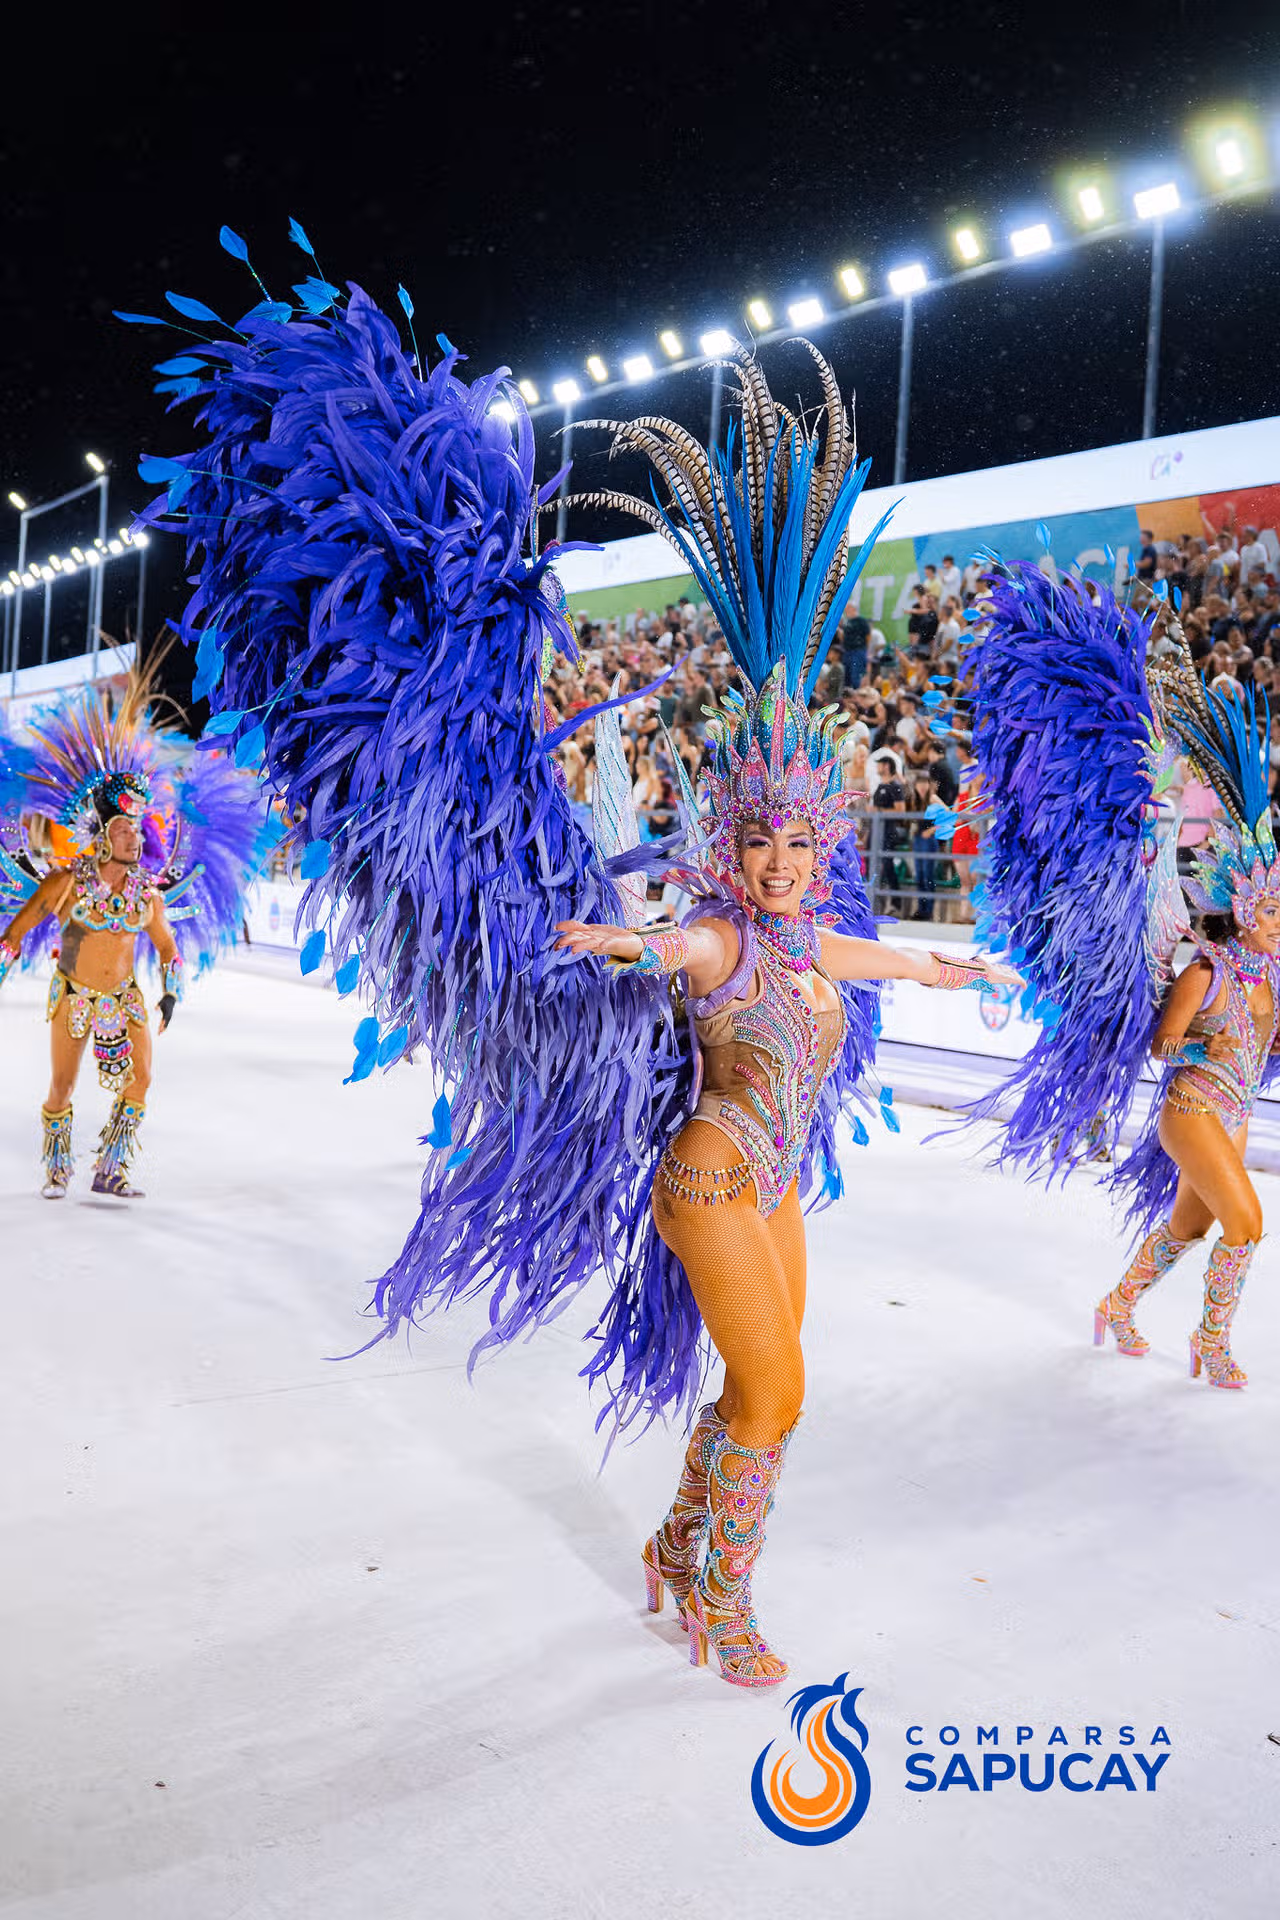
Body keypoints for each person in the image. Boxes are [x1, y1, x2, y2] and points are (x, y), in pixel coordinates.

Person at [128, 265, 1019, 1690]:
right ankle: (718, 1590)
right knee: (780, 1387)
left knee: (765, 1385)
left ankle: (682, 1549)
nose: (784, 864)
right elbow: (666, 947)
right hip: (715, 1175)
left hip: (780, 1178)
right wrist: (600, 938)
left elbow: (874, 952)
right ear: (733, 847)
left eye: (803, 843)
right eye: (763, 844)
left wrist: (952, 954)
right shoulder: (724, 938)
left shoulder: (803, 934)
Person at [967, 562, 1280, 1391]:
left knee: (1194, 1225)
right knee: (1247, 1224)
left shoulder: (1269, 978)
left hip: (1235, 1109)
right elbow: (1164, 1046)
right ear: (1237, 903)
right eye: (1267, 904)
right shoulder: (1203, 971)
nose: (1276, 915)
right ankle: (1210, 1345)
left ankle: (1118, 1303)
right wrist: (1190, 1055)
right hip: (1193, 1110)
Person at [0, 675, 266, 1197]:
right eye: (124, 828)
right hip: (73, 995)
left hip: (126, 999)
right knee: (62, 1086)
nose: (135, 835)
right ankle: (57, 1165)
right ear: (102, 833)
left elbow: (167, 948)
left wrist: (170, 993)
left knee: (141, 1080)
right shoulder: (66, 883)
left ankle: (111, 1168)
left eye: (138, 828)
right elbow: (17, 929)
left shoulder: (148, 895)